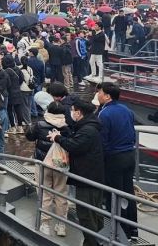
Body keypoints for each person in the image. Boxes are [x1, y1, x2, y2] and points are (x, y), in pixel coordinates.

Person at [49, 100, 105, 246]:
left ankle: (92, 242)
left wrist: (58, 138)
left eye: (73, 110)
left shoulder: (87, 130)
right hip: (93, 174)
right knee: (93, 210)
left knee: (86, 213)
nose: (71, 113)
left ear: (79, 113)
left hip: (87, 176)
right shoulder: (90, 126)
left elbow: (75, 146)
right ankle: (92, 239)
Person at [95, 82, 137, 240]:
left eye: (99, 92)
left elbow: (102, 141)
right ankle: (133, 230)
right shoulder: (126, 110)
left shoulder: (104, 114)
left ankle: (120, 231)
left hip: (114, 158)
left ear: (107, 96)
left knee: (114, 194)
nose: (97, 95)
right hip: (129, 155)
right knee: (129, 192)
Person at [25, 94, 69, 236]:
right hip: (61, 165)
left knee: (44, 193)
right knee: (61, 194)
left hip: (43, 163)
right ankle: (61, 225)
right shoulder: (68, 127)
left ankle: (45, 224)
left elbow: (29, 136)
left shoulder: (40, 124)